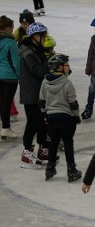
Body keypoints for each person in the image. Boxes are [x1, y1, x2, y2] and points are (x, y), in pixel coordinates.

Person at [39, 53, 82, 182]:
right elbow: (73, 103)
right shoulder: (67, 83)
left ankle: (50, 169)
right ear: (59, 67)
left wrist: (45, 114)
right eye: (66, 65)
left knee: (53, 142)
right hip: (66, 118)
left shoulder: (45, 83)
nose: (68, 67)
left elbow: (42, 101)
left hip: (52, 117)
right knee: (68, 143)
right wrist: (76, 116)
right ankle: (71, 170)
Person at [18, 22, 51, 168]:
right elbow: (38, 71)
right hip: (31, 94)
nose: (45, 39)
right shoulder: (28, 53)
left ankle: (42, 149)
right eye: (43, 36)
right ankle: (26, 152)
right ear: (35, 36)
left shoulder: (36, 50)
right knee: (33, 122)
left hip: (37, 93)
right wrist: (49, 61)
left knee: (40, 122)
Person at [0, 15, 20, 140]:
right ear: (7, 28)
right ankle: (6, 128)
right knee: (6, 103)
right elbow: (15, 62)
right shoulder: (10, 42)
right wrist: (20, 76)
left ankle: (5, 128)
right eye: (12, 27)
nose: (13, 30)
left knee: (2, 103)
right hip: (9, 77)